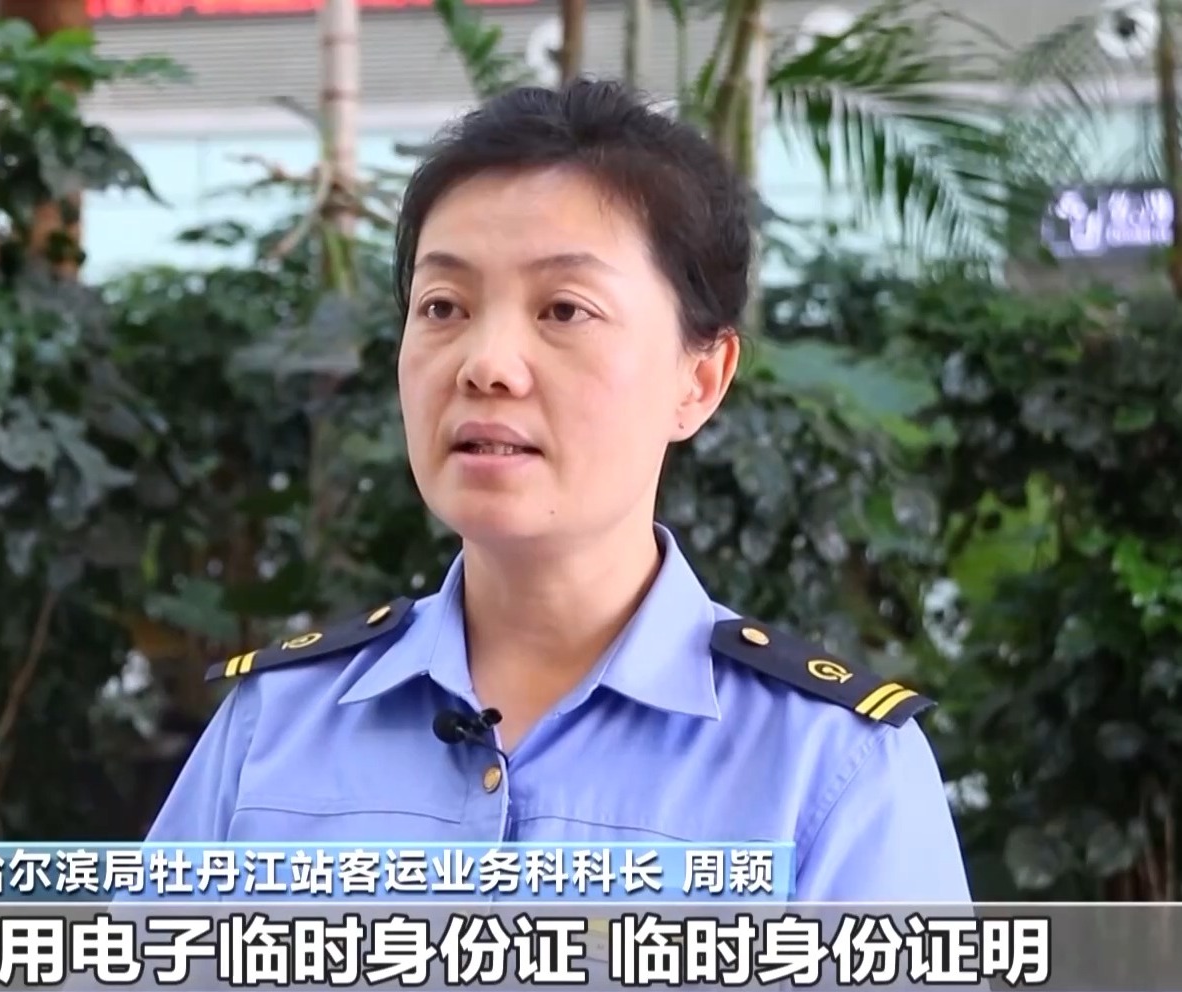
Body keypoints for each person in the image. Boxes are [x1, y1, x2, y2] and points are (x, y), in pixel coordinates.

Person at [144, 79, 970, 902]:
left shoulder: (831, 769)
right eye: (443, 306)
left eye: (565, 310)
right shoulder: (273, 728)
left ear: (700, 379)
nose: (485, 365)